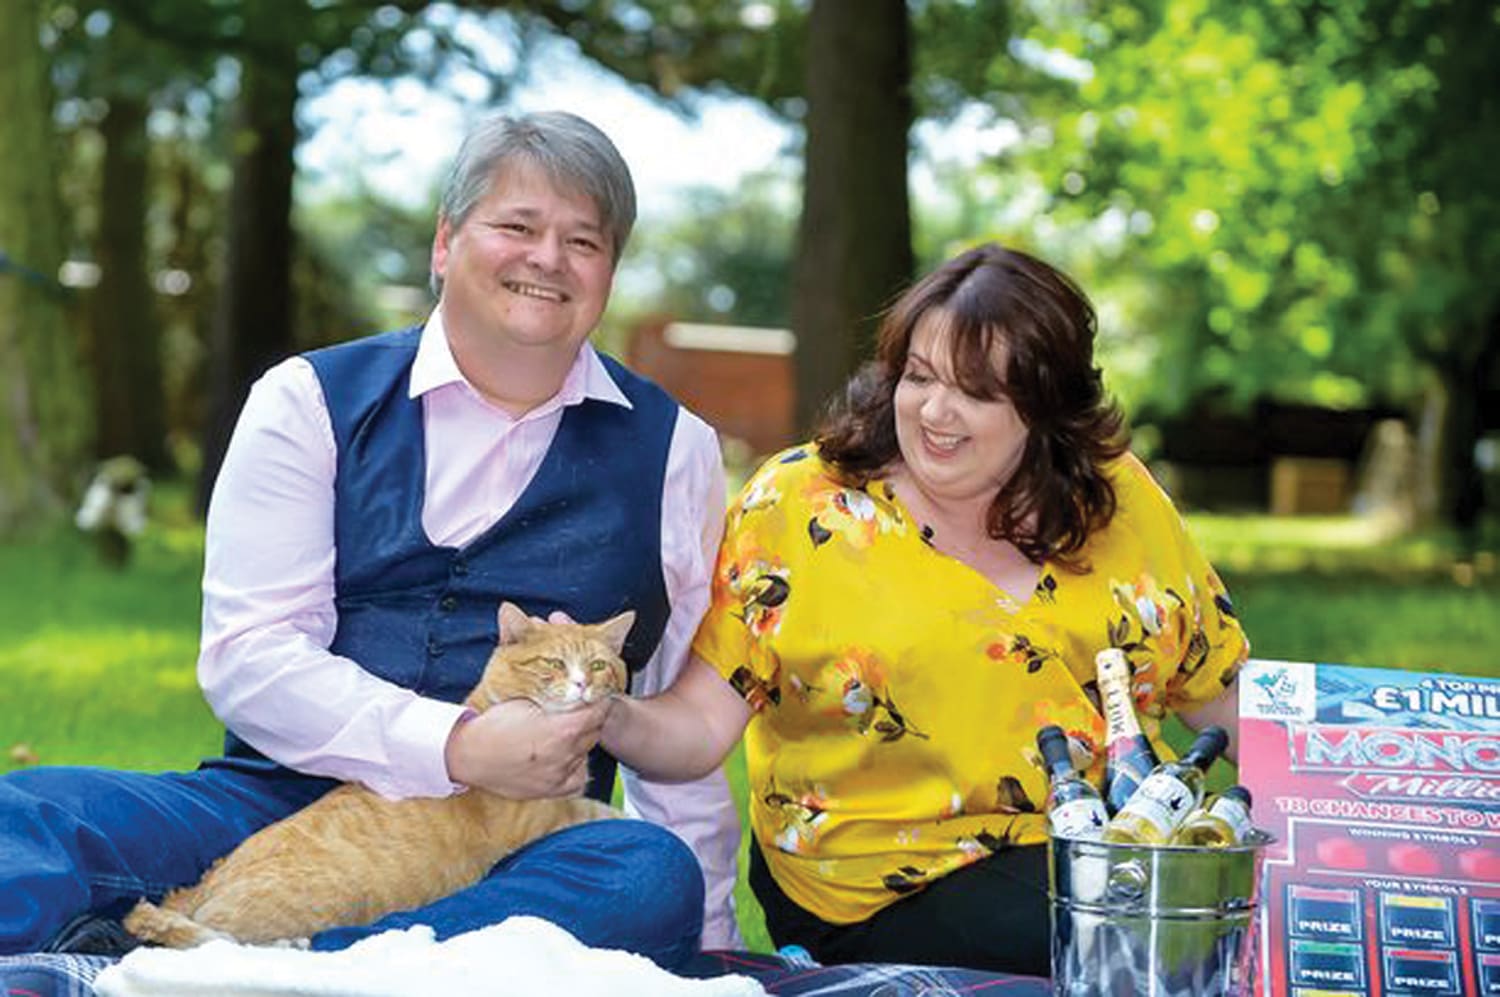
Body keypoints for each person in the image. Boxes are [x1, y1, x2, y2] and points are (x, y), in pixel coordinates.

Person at [0, 110, 742, 967]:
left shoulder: (674, 449)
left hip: (514, 850)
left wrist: (712, 945)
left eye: (585, 241)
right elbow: (251, 656)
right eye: (517, 226)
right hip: (276, 811)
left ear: (610, 272)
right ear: (444, 242)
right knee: (28, 819)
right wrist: (457, 744)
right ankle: (336, 969)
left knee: (646, 874)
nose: (548, 258)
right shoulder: (308, 399)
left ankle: (249, 971)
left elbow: (672, 726)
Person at [602, 243, 1248, 975]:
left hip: (1113, 845)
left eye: (976, 391)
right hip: (877, 880)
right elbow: (698, 725)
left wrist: (1363, 781)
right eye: (918, 376)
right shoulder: (801, 506)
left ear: (1046, 405)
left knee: (1236, 917)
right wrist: (609, 714)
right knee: (1145, 945)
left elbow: (1221, 695)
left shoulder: (1119, 496)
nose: (935, 412)